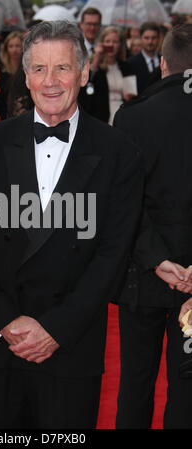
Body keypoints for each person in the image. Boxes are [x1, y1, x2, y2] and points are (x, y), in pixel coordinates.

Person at [0, 20, 143, 429]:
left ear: (84, 72)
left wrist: (55, 329)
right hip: (1, 343)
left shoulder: (119, 152)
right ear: (25, 76)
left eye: (63, 68)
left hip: (71, 347)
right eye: (39, 69)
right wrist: (7, 321)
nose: (50, 81)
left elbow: (113, 253)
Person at [114, 24, 192, 429]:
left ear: (162, 64)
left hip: (143, 275)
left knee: (136, 381)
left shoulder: (131, 118)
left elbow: (122, 206)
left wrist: (157, 258)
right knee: (188, 384)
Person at [91, 26, 137, 125]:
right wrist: (97, 57)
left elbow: (131, 94)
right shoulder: (96, 66)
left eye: (115, 42)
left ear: (120, 45)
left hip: (122, 114)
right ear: (102, 43)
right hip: (101, 115)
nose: (111, 45)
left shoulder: (126, 66)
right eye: (107, 41)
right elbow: (88, 83)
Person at [127, 22, 161, 95]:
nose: (150, 41)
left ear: (159, 39)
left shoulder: (165, 61)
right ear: (140, 38)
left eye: (153, 38)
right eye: (146, 38)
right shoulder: (131, 63)